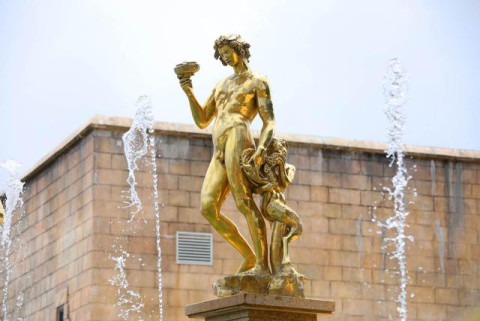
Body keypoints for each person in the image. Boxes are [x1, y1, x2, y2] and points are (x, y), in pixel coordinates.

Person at [177, 34, 274, 275]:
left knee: (243, 201)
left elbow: (269, 121)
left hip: (239, 136)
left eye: (226, 50)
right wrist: (189, 93)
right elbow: (202, 120)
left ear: (238, 49)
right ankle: (248, 255)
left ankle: (263, 265)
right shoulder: (221, 84)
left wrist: (262, 149)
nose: (223, 56)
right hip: (218, 145)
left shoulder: (257, 81)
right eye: (220, 53)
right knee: (208, 207)